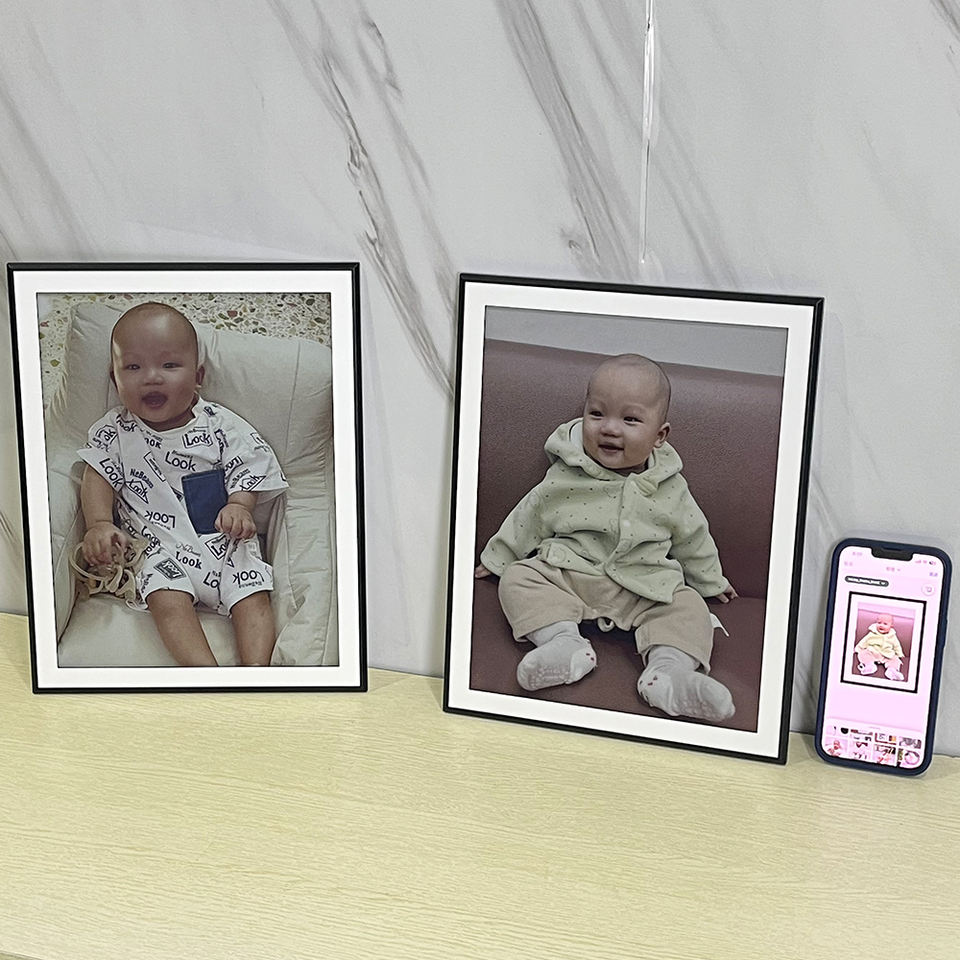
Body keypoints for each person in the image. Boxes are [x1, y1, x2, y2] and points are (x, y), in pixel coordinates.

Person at [476, 353, 737, 723]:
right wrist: (500, 558)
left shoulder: (671, 488)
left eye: (630, 420)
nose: (610, 429)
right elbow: (529, 515)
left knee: (689, 606)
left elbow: (694, 537)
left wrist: (711, 582)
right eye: (597, 414)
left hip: (644, 587)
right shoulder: (567, 474)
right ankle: (563, 644)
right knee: (520, 577)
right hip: (568, 575)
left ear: (659, 436)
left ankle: (668, 674)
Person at [77, 302, 287, 666]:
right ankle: (206, 674)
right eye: (133, 367)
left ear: (197, 376)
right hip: (156, 547)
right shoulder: (115, 431)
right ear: (115, 379)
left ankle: (256, 674)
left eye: (169, 366)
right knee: (166, 600)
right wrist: (99, 523)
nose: (152, 378)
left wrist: (240, 504)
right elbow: (97, 475)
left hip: (223, 538)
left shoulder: (219, 424)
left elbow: (249, 463)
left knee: (252, 592)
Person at [855, 613, 904, 681]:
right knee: (864, 653)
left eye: (885, 624)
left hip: (886, 654)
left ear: (891, 626)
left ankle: (892, 671)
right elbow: (864, 641)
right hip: (873, 651)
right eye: (879, 623)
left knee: (895, 659)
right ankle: (869, 666)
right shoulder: (872, 633)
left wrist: (899, 654)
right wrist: (858, 648)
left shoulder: (892, 636)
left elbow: (897, 645)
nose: (881, 625)